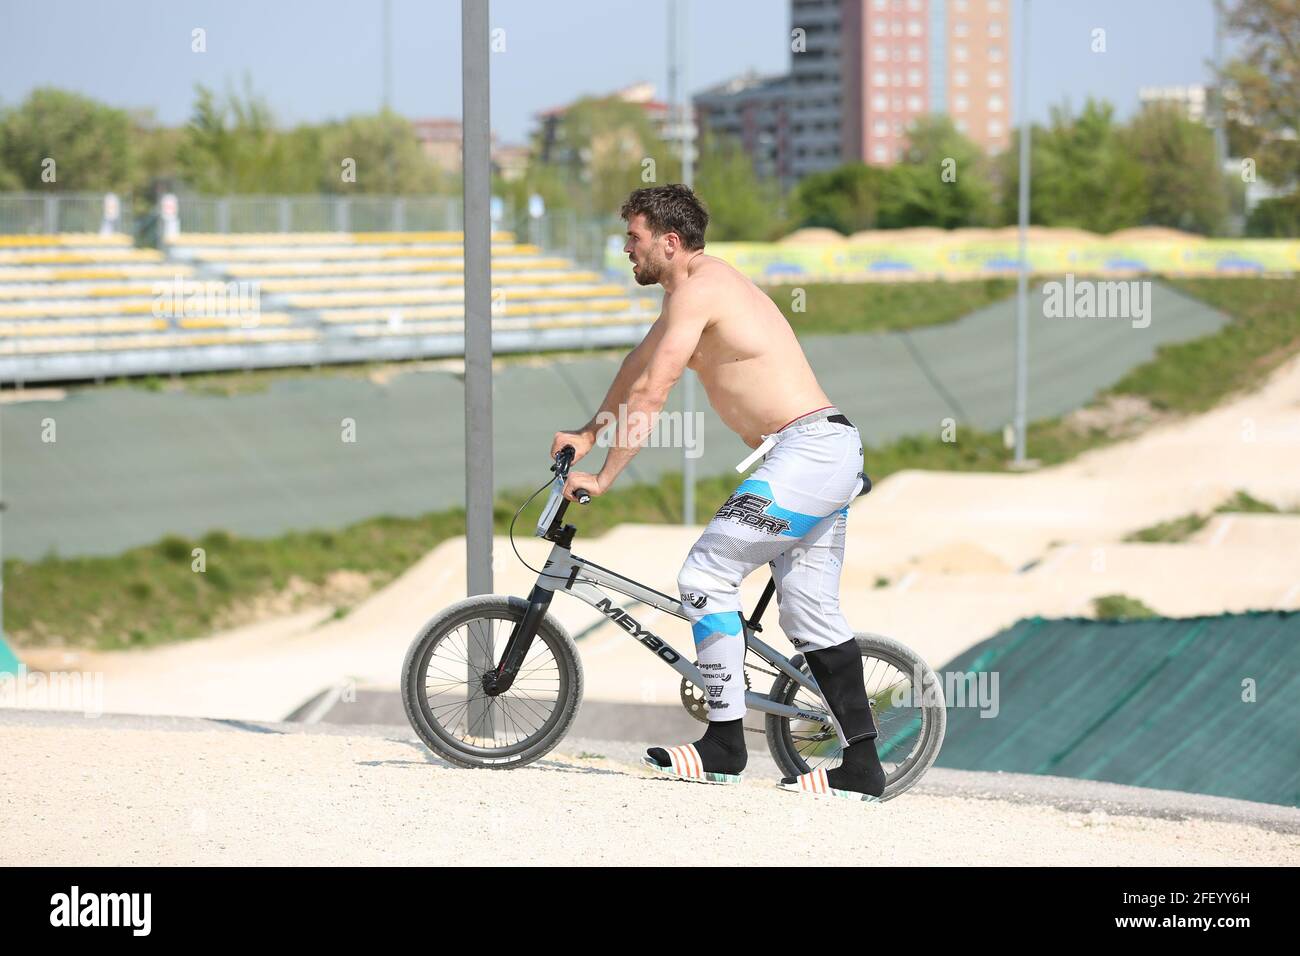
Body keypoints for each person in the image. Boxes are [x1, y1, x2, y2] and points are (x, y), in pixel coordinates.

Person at [550, 184, 885, 801]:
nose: (626, 249)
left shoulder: (701, 290)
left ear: (670, 243)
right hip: (818, 451)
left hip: (806, 451)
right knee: (807, 613)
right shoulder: (694, 290)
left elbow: (654, 391)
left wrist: (603, 479)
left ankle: (725, 745)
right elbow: (636, 367)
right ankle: (863, 767)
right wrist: (587, 433)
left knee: (706, 573)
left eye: (634, 238)